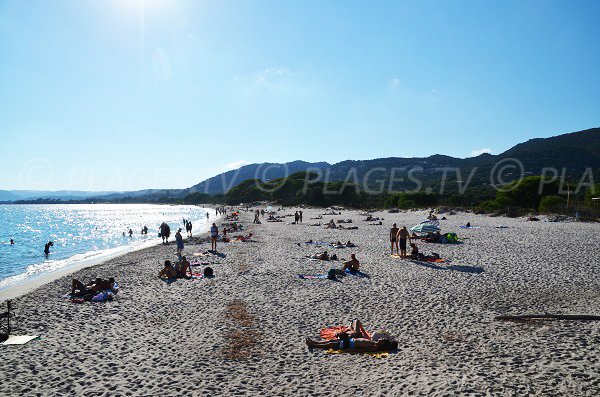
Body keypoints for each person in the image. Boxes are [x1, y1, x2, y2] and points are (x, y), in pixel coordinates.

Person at [306, 336, 397, 352]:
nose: (381, 338)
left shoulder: (374, 347)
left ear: (383, 343)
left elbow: (362, 350)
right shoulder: (374, 342)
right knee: (331, 341)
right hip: (350, 341)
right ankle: (314, 342)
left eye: (383, 339)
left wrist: (351, 350)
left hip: (349, 345)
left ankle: (313, 345)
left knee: (331, 345)